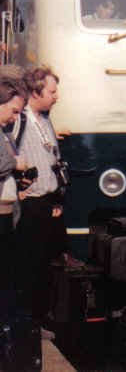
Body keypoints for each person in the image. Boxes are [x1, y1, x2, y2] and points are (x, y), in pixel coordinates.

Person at [14, 66, 81, 322]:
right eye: (52, 92)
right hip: (30, 204)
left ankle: (41, 319)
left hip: (48, 202)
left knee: (46, 267)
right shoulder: (18, 120)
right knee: (30, 267)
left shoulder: (44, 119)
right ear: (35, 92)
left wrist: (57, 199)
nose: (57, 97)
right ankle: (28, 322)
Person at [0, 78, 27, 310]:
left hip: (7, 214)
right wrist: (15, 163)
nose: (15, 117)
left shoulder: (4, 132)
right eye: (13, 111)